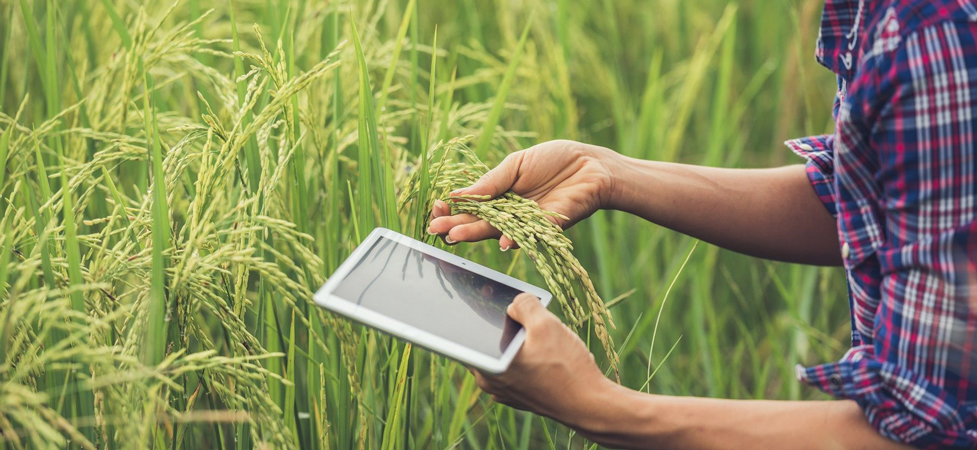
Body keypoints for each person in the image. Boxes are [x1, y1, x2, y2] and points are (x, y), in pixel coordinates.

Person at [427, 1, 977, 448]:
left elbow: (919, 433)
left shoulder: (926, 29)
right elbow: (885, 202)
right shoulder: (889, 21)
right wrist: (611, 173)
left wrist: (600, 407)